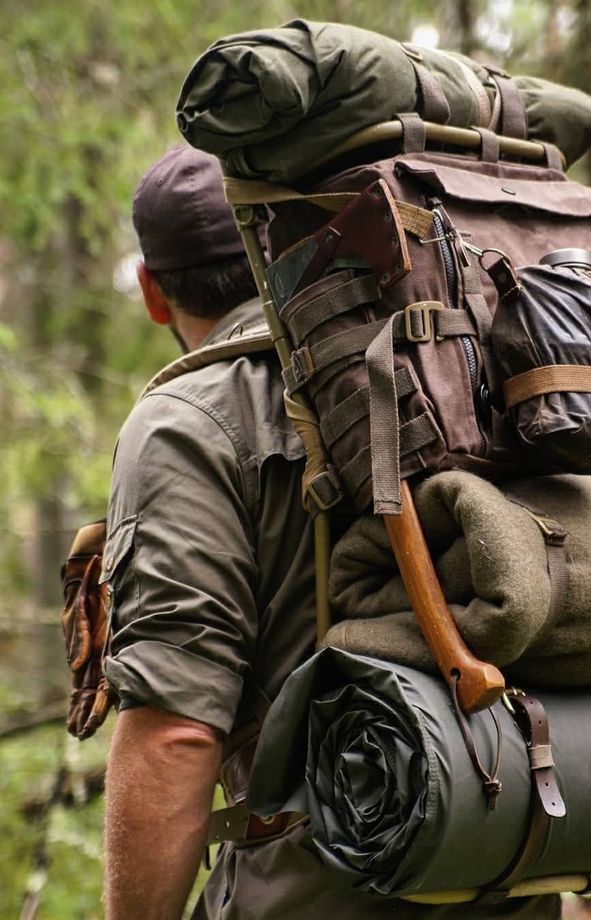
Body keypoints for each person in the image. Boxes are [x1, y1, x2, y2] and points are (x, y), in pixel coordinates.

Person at [101, 144, 562, 920]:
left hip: (319, 890)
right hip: (508, 860)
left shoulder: (189, 422)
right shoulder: (446, 359)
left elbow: (174, 734)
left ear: (153, 292)